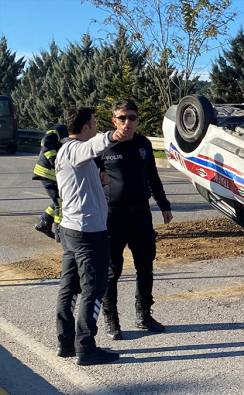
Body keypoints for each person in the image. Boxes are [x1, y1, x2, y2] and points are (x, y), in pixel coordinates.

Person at [55, 107, 128, 365]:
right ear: (86, 126)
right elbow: (94, 146)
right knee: (94, 289)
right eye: (95, 122)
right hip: (88, 233)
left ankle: (66, 343)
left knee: (69, 288)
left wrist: (100, 182)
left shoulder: (64, 151)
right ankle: (86, 348)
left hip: (71, 230)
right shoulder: (76, 149)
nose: (96, 126)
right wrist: (112, 136)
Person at [97, 99, 173, 340]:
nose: (127, 122)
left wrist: (164, 205)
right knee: (112, 271)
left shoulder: (143, 144)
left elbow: (153, 176)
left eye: (132, 118)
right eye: (122, 118)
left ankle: (144, 315)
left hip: (140, 213)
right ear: (114, 120)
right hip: (113, 215)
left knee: (145, 266)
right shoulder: (102, 146)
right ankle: (112, 320)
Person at [32, 124, 68, 241]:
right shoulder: (59, 130)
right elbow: (45, 142)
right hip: (48, 173)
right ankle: (59, 232)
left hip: (54, 175)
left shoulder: (76, 135)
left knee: (61, 199)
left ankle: (44, 221)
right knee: (60, 203)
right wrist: (54, 161)